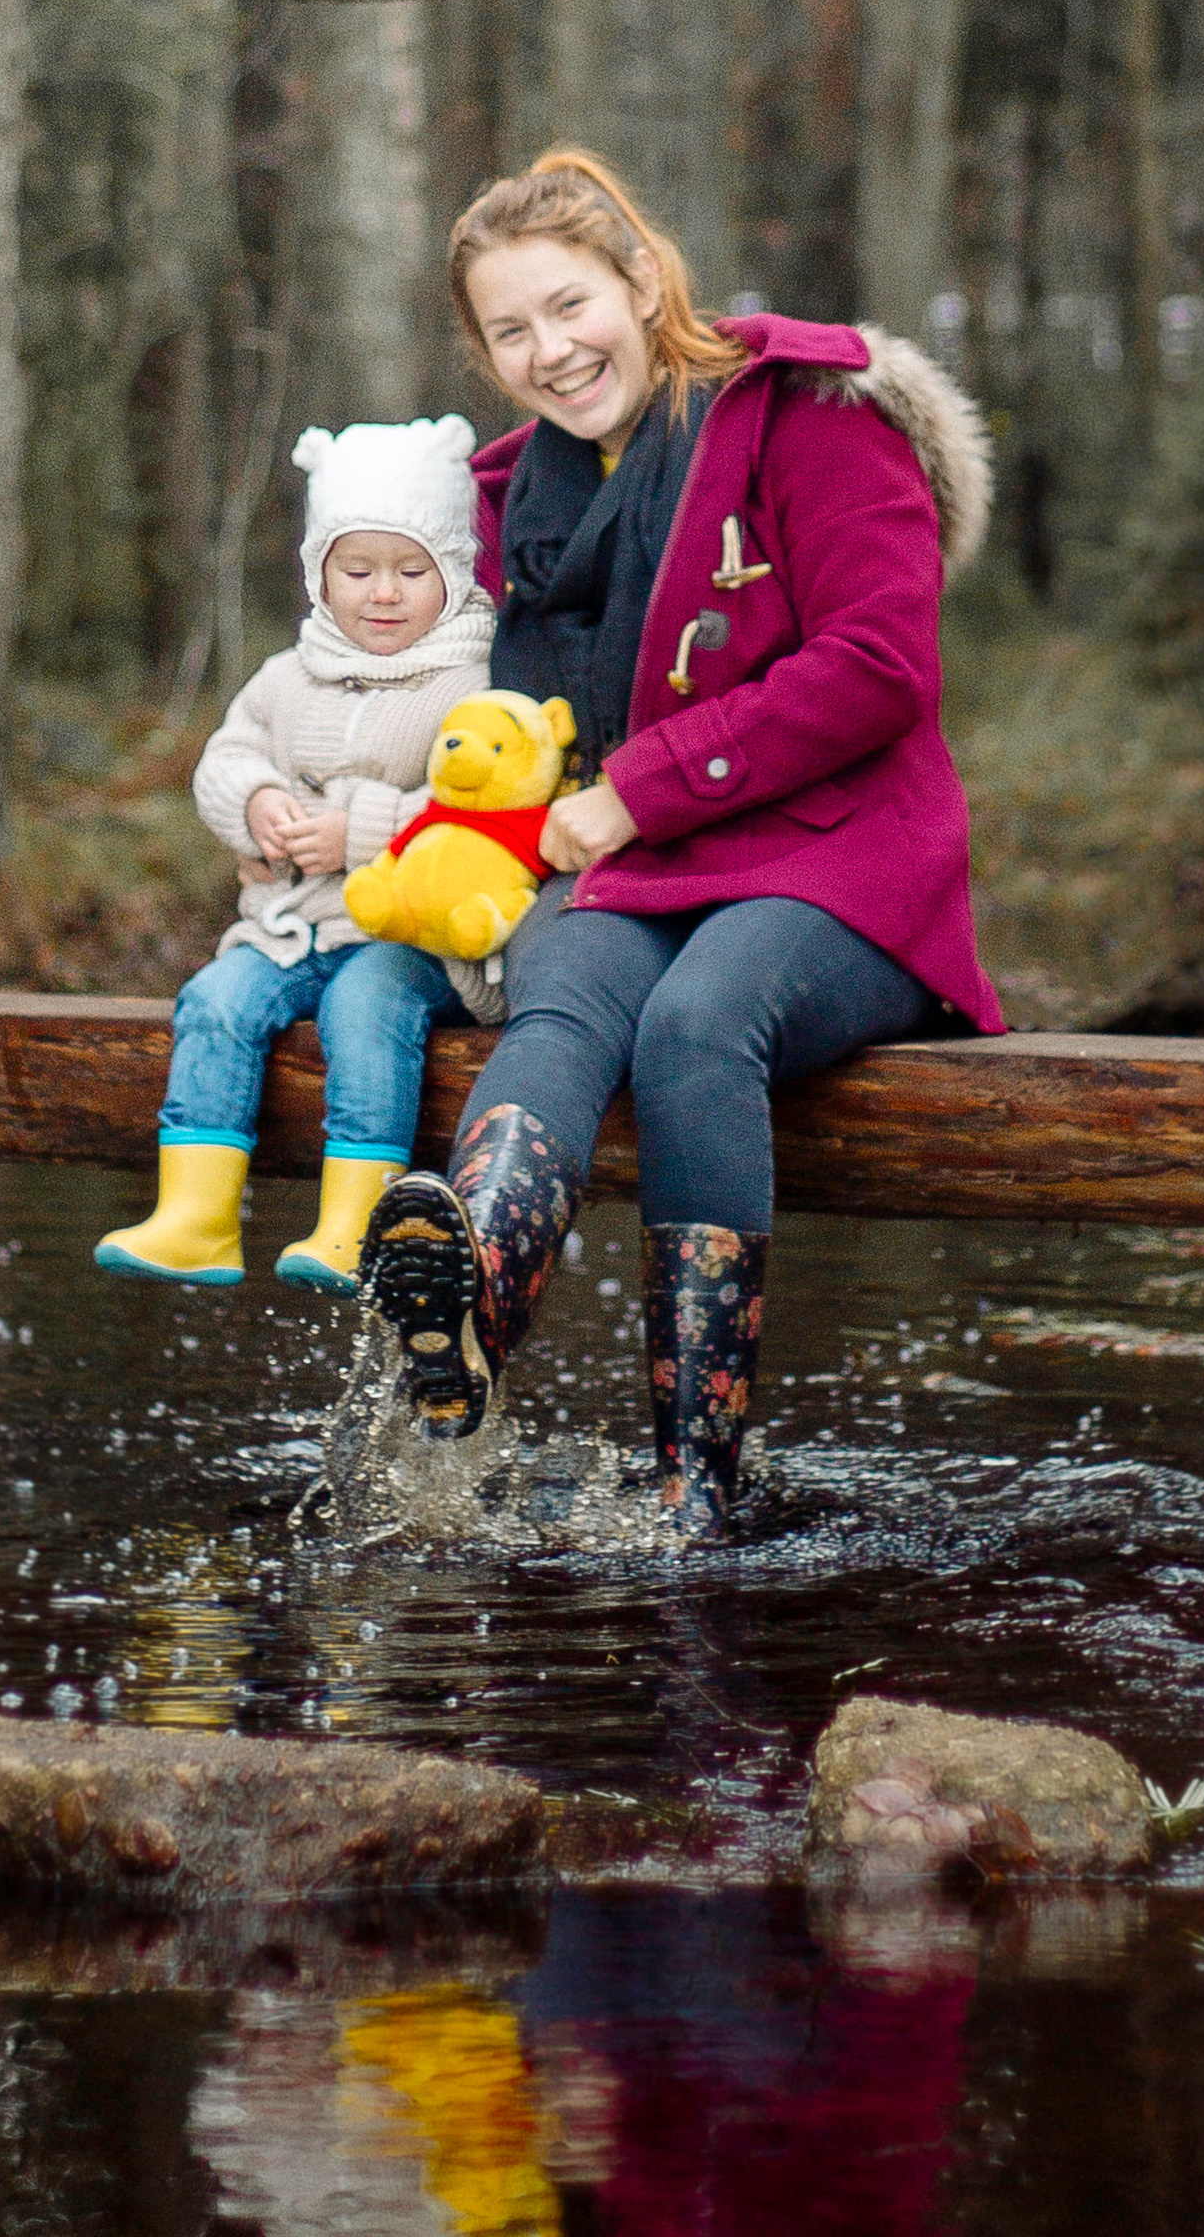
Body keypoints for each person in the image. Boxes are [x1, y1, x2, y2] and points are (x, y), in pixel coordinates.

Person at [358, 151, 998, 1534]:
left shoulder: (809, 419)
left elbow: (880, 664)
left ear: (644, 281)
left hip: (843, 856)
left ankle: (695, 1484)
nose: (551, 351)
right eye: (510, 331)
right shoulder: (519, 498)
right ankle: (467, 1306)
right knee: (561, 997)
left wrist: (642, 788)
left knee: (698, 1026)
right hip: (636, 867)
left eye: (570, 305)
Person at [96, 416, 499, 1294]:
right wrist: (257, 803)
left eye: (410, 571)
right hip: (292, 924)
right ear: (321, 575)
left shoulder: (470, 681)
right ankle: (196, 1218)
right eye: (356, 571)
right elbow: (225, 757)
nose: (382, 594)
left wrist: (359, 830)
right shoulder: (291, 673)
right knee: (215, 999)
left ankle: (359, 1224)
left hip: (411, 937)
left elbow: (486, 804)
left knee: (364, 1007)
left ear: (455, 573)